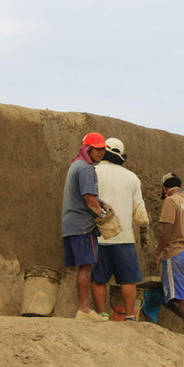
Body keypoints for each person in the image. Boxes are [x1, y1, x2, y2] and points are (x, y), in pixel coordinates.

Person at [90, 138, 149, 321]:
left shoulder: (93, 172)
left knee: (98, 279)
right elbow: (141, 215)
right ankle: (130, 316)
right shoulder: (132, 177)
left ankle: (101, 315)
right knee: (128, 280)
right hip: (124, 238)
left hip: (99, 236)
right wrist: (143, 227)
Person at [61, 132, 112, 322]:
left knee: (84, 267)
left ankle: (84, 309)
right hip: (83, 225)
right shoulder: (86, 168)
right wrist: (102, 214)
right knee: (86, 267)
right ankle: (84, 310)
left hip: (71, 224)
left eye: (102, 149)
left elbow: (88, 195)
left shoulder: (76, 165)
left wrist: (102, 203)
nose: (101, 153)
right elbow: (88, 197)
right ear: (88, 149)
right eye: (97, 149)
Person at [150, 172, 184, 338]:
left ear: (165, 188)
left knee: (182, 298)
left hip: (174, 254)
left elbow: (167, 231)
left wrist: (157, 255)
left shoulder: (170, 201)